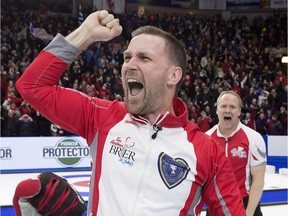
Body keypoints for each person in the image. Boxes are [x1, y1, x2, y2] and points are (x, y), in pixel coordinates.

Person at [15, 10, 246, 216]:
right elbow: (32, 86)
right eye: (127, 57)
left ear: (173, 76)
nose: (129, 65)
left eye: (144, 58)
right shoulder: (102, 116)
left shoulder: (208, 152)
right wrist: (85, 34)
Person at [204, 90, 267, 216]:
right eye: (223, 106)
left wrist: (248, 213)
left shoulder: (254, 138)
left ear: (239, 111)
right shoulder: (206, 139)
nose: (227, 110)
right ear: (217, 110)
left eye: (232, 107)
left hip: (245, 203)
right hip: (216, 204)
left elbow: (258, 180)